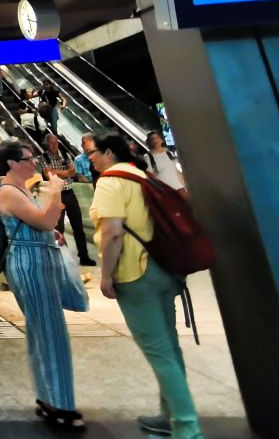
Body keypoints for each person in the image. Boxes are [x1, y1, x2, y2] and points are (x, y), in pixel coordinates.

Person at [89, 134, 202, 439]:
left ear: (108, 152)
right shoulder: (142, 176)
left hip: (135, 273)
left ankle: (188, 429)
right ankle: (169, 416)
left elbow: (113, 232)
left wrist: (106, 275)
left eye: (93, 153)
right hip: (164, 268)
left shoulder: (110, 181)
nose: (90, 158)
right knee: (169, 345)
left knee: (159, 352)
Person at [0, 140, 85, 432]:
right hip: (31, 265)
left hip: (37, 259)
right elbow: (45, 220)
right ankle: (62, 404)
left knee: (42, 330)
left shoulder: (20, 188)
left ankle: (48, 397)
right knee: (51, 332)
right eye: (27, 159)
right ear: (12, 164)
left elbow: (39, 224)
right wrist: (55, 192)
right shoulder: (8, 190)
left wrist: (50, 230)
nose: (34, 163)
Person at [41, 134, 96, 267]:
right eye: (52, 143)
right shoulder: (43, 157)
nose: (55, 145)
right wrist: (64, 172)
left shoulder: (65, 154)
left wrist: (56, 172)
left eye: (56, 142)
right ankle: (61, 257)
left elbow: (72, 172)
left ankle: (84, 256)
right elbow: (47, 174)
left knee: (78, 226)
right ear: (47, 144)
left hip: (69, 193)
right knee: (58, 227)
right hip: (56, 195)